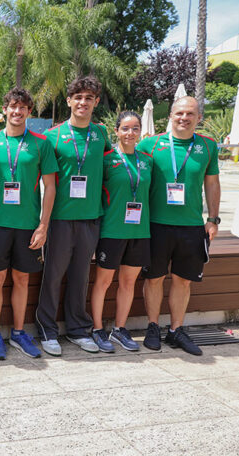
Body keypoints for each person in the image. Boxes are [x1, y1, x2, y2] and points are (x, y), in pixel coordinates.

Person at [137, 96, 220, 356]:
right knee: (154, 278)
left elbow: (212, 184)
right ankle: (152, 327)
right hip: (155, 225)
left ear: (199, 118)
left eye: (190, 114)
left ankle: (176, 330)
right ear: (170, 116)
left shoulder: (208, 146)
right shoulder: (150, 145)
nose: (184, 118)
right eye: (180, 113)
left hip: (192, 226)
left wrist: (213, 219)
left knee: (183, 281)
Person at [35, 76, 111, 356]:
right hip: (60, 219)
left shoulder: (101, 134)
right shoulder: (52, 136)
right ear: (69, 101)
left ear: (96, 102)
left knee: (81, 276)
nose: (83, 102)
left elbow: (110, 170)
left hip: (91, 218)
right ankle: (47, 329)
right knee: (52, 276)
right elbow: (45, 181)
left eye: (89, 98)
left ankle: (79, 329)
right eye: (78, 97)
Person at [0, 88, 58, 359]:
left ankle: (17, 332)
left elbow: (50, 187)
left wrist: (43, 225)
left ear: (29, 112)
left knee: (22, 279)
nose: (17, 112)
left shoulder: (41, 143)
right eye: (12, 107)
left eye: (22, 108)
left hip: (28, 225)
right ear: (5, 109)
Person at [89, 111, 153, 352]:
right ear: (116, 131)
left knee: (128, 282)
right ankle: (97, 328)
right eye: (125, 128)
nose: (130, 133)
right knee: (103, 282)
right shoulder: (106, 160)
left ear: (140, 132)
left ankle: (119, 328)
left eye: (135, 128)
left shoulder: (147, 160)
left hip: (139, 231)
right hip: (112, 231)